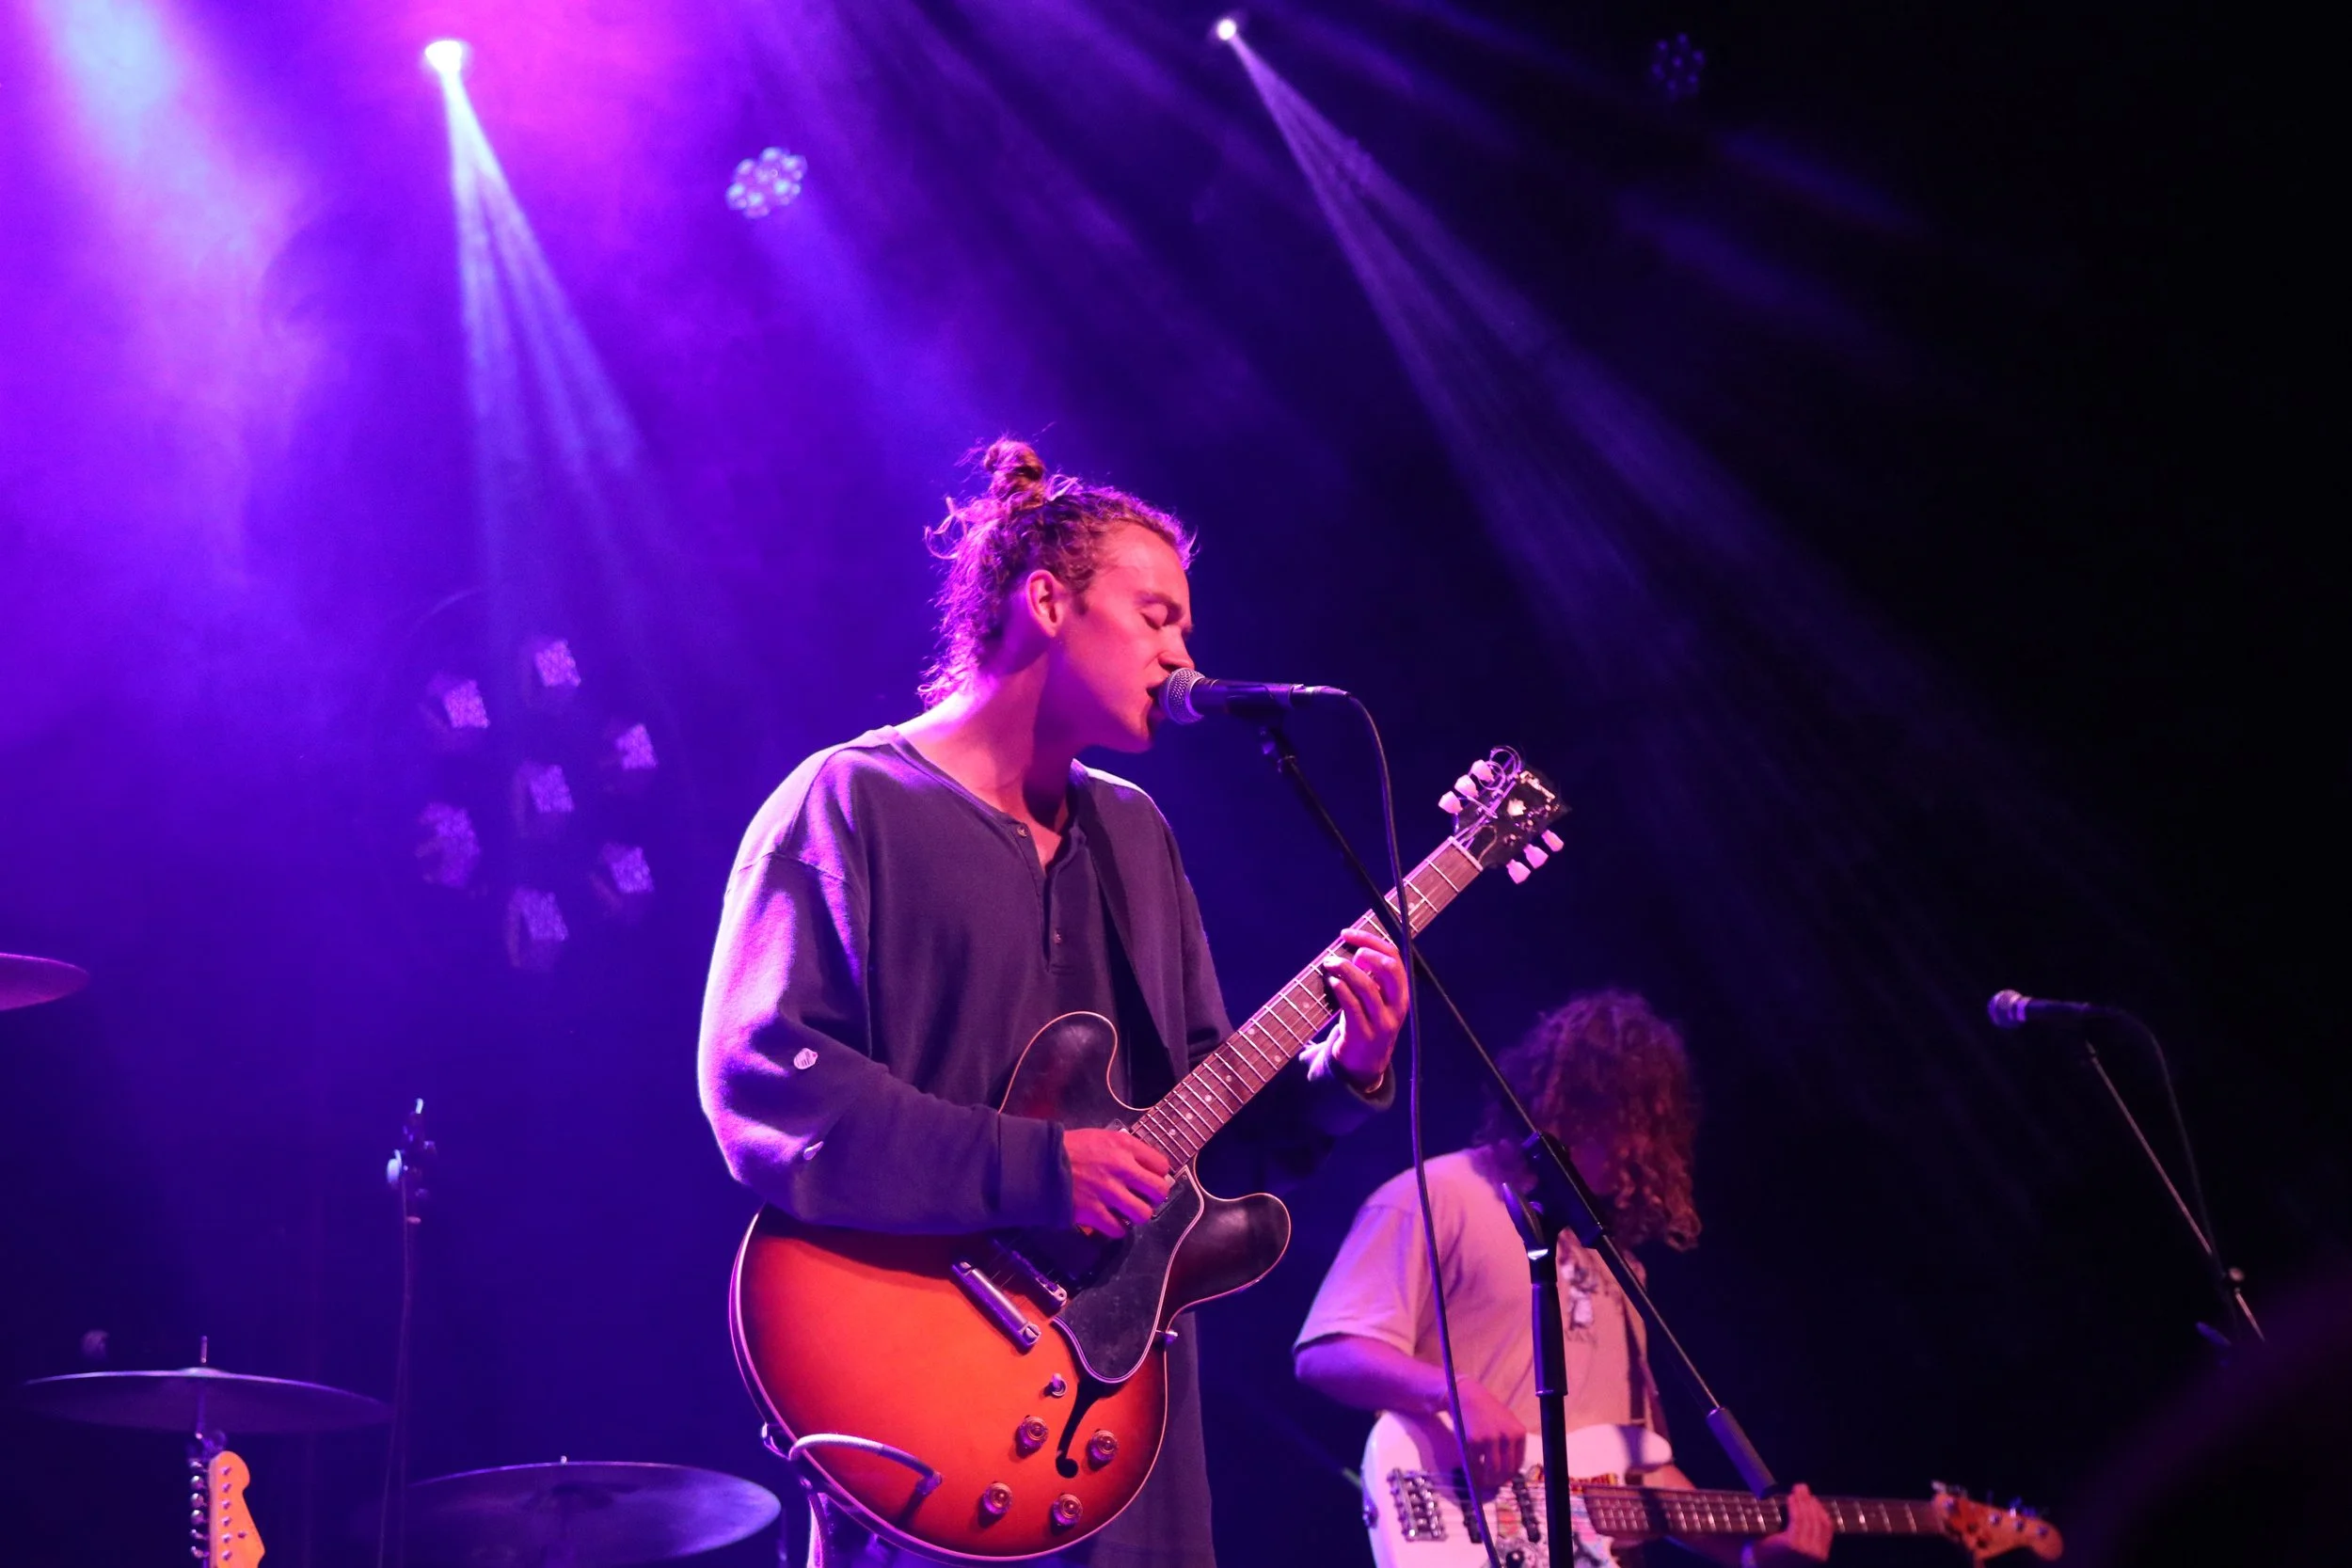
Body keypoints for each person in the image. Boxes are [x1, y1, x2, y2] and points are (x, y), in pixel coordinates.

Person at [698, 439, 1409, 1567]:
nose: (1183, 654)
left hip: (1106, 1413)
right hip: (919, 1390)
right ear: (1044, 602)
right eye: (1156, 615)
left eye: (1185, 626)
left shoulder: (1134, 830)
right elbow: (769, 1081)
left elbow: (1204, 1120)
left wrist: (1340, 1069)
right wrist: (1040, 1167)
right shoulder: (849, 801)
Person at [1294, 991, 1832, 1567]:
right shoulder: (1438, 1195)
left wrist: (1753, 1553)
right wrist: (1453, 1392)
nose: (1642, 1149)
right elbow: (1327, 1352)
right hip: (1472, 1531)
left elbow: (1642, 1475)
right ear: (1577, 1104)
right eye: (1635, 1121)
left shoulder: (1618, 1265)